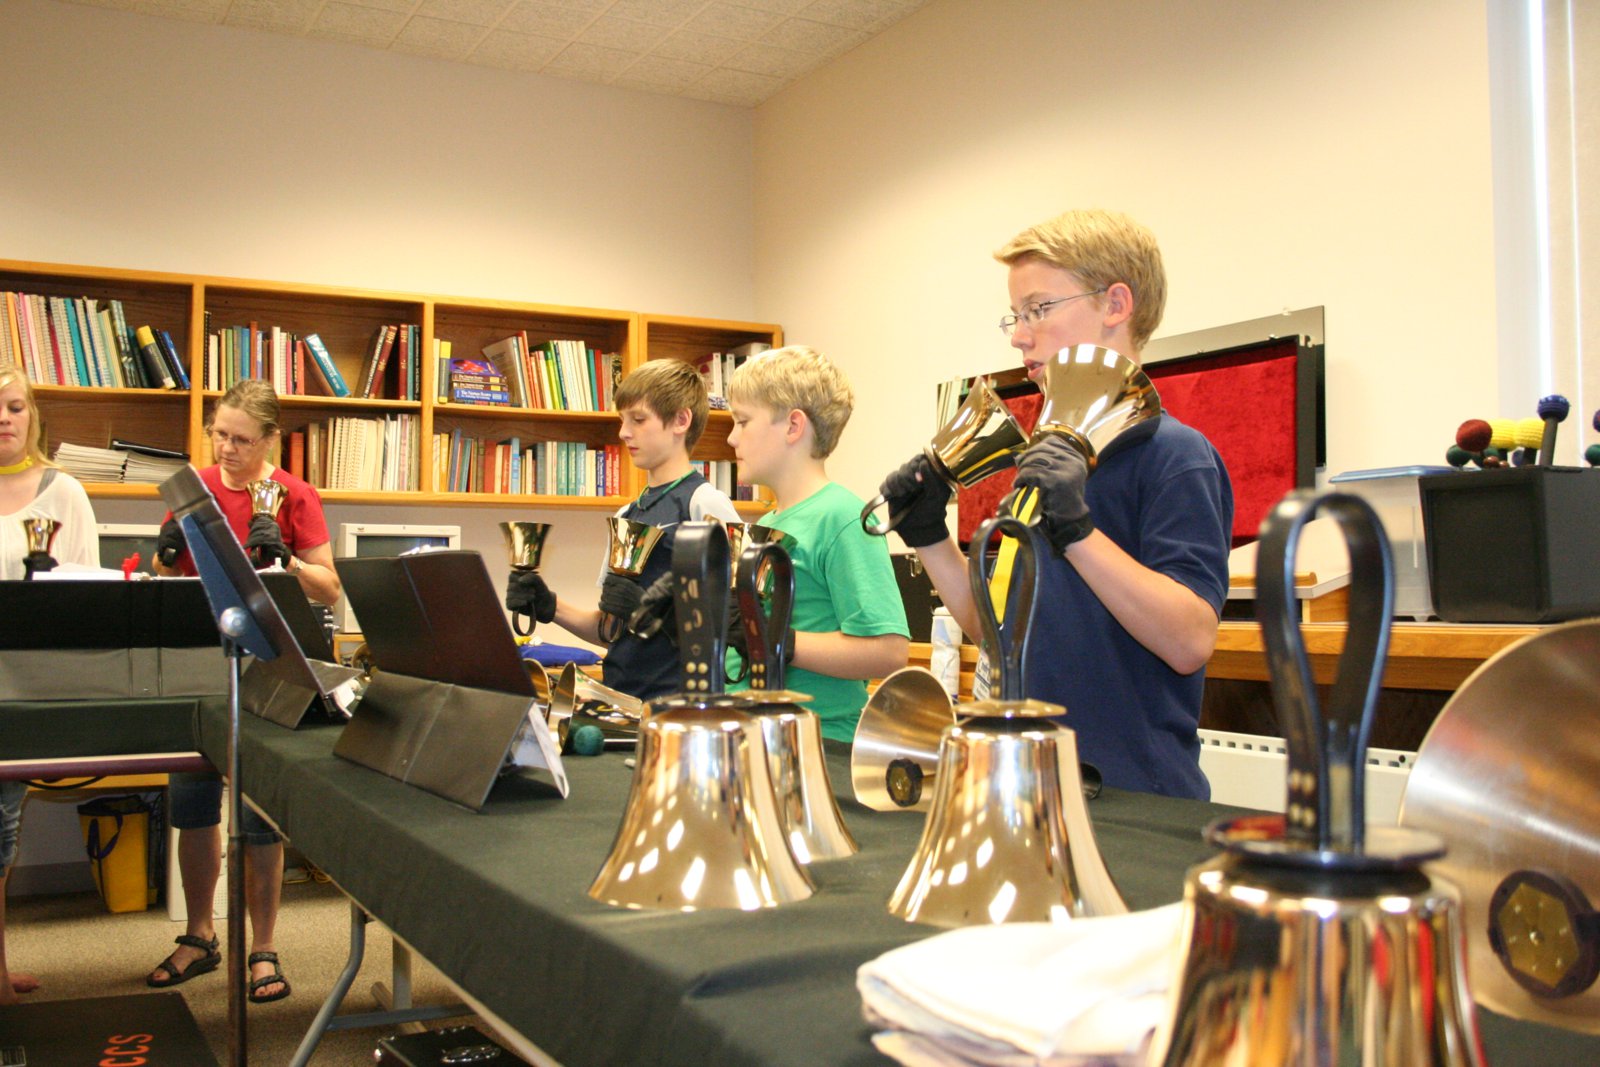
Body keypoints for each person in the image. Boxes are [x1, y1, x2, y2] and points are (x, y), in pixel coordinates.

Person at [879, 210, 1232, 799]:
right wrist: (928, 534)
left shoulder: (1174, 455)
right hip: (1027, 786)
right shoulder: (1047, 462)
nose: (1020, 335)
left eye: (1038, 309)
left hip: (1128, 801)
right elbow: (998, 634)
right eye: (1015, 316)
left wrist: (1078, 532)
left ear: (1115, 304)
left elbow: (1190, 641)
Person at [147, 378, 340, 1004]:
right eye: (220, 435)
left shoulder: (294, 495)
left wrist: (287, 561)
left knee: (258, 817)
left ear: (270, 440)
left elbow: (329, 588)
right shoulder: (193, 489)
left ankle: (263, 948)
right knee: (194, 803)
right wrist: (163, 554)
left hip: (267, 668)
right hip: (199, 662)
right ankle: (200, 936)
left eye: (242, 440)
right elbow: (165, 576)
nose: (227, 449)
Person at [505, 359, 742, 701]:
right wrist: (549, 605)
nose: (624, 432)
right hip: (621, 699)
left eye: (638, 420)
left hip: (678, 706)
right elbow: (609, 630)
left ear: (681, 420)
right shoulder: (627, 514)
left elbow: (733, 627)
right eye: (622, 420)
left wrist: (656, 614)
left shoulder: (704, 503)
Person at [722, 345, 910, 741]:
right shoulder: (768, 523)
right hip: (755, 735)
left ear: (793, 426)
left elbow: (889, 652)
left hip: (820, 744)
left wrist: (778, 640)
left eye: (742, 421)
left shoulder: (842, 518)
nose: (731, 437)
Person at [0, 364, 101, 1004]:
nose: (3, 418)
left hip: (23, 689)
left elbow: (85, 598)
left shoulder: (64, 493)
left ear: (33, 415)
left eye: (14, 406)